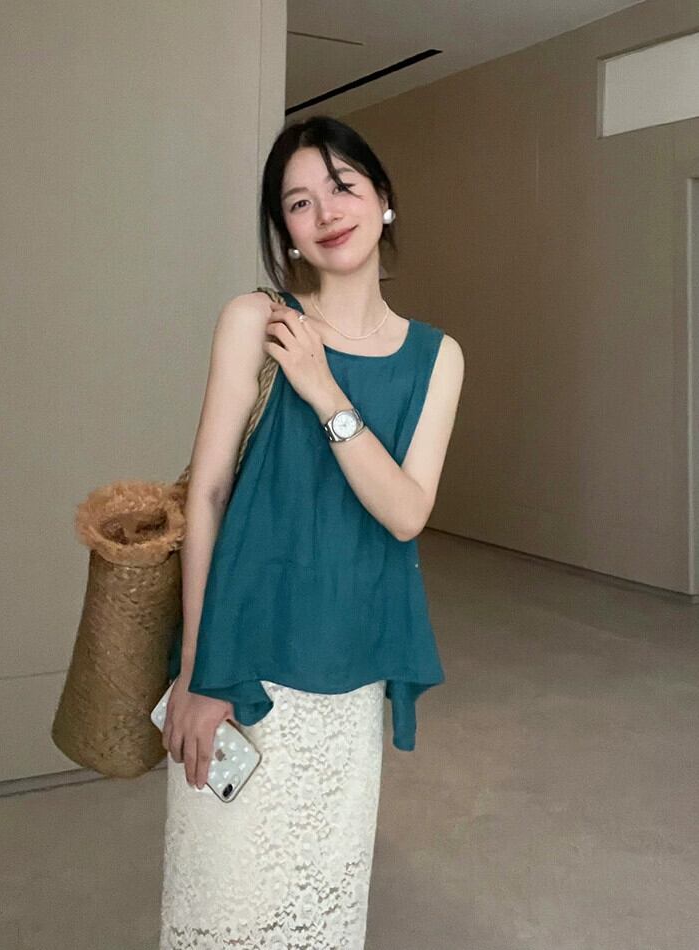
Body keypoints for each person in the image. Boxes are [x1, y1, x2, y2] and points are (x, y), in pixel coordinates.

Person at [158, 114, 465, 949]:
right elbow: (208, 494)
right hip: (242, 655)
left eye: (342, 186)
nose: (326, 211)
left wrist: (323, 388)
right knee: (219, 907)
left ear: (383, 198)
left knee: (319, 908)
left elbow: (405, 511)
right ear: (284, 230)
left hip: (350, 668)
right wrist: (198, 668)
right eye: (299, 202)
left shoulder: (437, 357)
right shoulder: (254, 320)